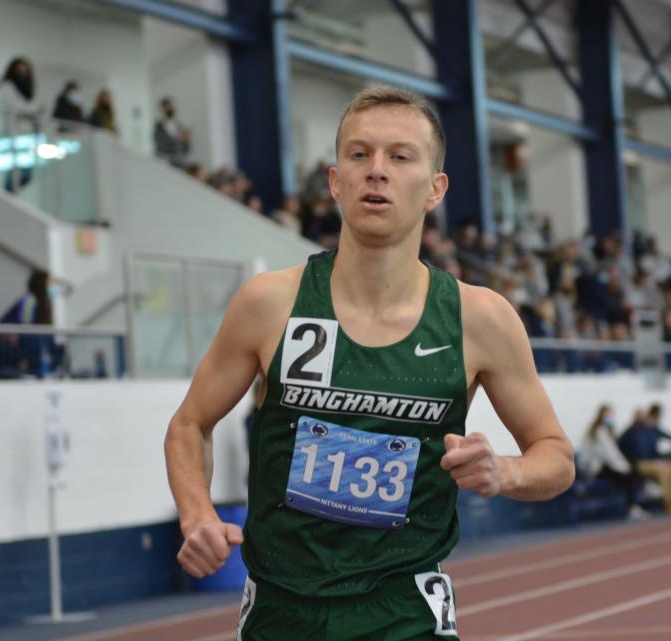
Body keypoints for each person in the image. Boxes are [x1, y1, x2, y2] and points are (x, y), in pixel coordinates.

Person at [164, 86, 574, 640]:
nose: (376, 171)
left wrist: (506, 471)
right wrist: (197, 516)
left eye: (400, 156)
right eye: (359, 155)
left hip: (405, 613)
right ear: (335, 181)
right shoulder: (270, 303)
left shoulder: (479, 318)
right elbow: (190, 424)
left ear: (435, 189)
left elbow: (556, 456)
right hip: (281, 616)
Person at [618, 404, 671, 514]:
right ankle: (669, 503)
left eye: (643, 417)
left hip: (653, 461)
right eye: (639, 417)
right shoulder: (628, 434)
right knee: (663, 471)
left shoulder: (649, 432)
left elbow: (667, 440)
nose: (642, 420)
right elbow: (626, 453)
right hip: (639, 463)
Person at [578, 404, 648, 520]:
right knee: (628, 475)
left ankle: (639, 497)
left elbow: (613, 453)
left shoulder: (606, 431)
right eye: (608, 414)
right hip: (595, 469)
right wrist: (624, 467)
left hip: (603, 466)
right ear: (602, 415)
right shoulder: (598, 431)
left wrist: (624, 466)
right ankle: (632, 507)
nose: (611, 417)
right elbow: (608, 455)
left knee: (632, 470)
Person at [0, 57, 44, 191]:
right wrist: (34, 110)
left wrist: (34, 111)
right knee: (13, 172)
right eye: (19, 70)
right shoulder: (7, 87)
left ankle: (11, 196)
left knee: (27, 175)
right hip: (14, 134)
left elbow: (38, 107)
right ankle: (7, 196)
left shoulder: (31, 90)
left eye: (25, 70)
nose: (22, 73)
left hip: (29, 136)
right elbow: (17, 108)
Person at [153, 97, 191, 167]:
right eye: (169, 107)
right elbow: (161, 145)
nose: (171, 109)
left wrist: (186, 140)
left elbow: (186, 148)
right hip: (166, 162)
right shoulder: (159, 127)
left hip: (180, 162)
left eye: (172, 107)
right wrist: (180, 140)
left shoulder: (179, 126)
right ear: (162, 109)